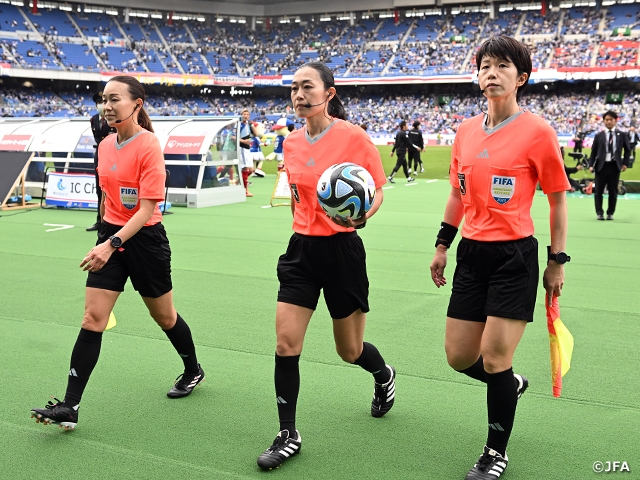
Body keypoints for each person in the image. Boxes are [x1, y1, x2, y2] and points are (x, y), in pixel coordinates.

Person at [429, 36, 569, 480]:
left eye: (502, 66)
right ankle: (510, 385)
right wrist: (442, 245)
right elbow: (457, 193)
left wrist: (557, 260)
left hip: (515, 257)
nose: (491, 72)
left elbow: (558, 202)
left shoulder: (538, 132)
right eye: (485, 65)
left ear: (520, 77)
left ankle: (494, 451)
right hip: (471, 253)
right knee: (458, 356)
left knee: (493, 357)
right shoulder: (465, 131)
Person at [30, 76, 204, 431]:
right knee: (92, 319)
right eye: (103, 100)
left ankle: (193, 369)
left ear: (137, 104)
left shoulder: (149, 145)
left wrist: (110, 245)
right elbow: (108, 198)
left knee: (165, 317)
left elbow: (145, 210)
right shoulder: (106, 144)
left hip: (146, 240)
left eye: (115, 99)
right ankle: (70, 405)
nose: (107, 106)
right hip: (113, 236)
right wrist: (105, 235)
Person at [256, 61, 396, 471]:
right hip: (301, 252)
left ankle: (382, 373)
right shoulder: (291, 142)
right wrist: (303, 230)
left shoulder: (353, 137)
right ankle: (287, 433)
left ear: (329, 94)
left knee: (349, 350)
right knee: (286, 343)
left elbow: (377, 191)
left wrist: (361, 215)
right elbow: (298, 200)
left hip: (343, 251)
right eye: (294, 88)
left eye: (308, 87)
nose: (299, 95)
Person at [588, 110, 630, 220]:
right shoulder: (599, 136)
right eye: (607, 120)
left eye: (611, 120)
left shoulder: (622, 135)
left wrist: (625, 163)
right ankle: (599, 213)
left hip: (614, 166)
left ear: (615, 120)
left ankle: (610, 213)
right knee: (598, 191)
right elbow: (593, 152)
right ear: (604, 121)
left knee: (613, 191)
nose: (609, 122)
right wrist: (590, 165)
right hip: (601, 167)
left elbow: (627, 150)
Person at [86, 91, 116, 232]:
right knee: (100, 189)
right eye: (99, 103)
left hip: (113, 154)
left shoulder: (114, 119)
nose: (101, 105)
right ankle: (100, 220)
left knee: (113, 188)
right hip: (99, 154)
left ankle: (112, 220)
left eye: (103, 102)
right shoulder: (93, 120)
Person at [238, 108, 254, 196]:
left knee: (251, 170)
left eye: (247, 115)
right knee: (245, 169)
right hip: (242, 148)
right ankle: (244, 191)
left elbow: (257, 134)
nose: (245, 116)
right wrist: (244, 141)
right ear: (241, 115)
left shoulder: (248, 125)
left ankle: (238, 182)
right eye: (244, 114)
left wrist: (252, 125)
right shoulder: (239, 125)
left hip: (247, 149)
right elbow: (232, 137)